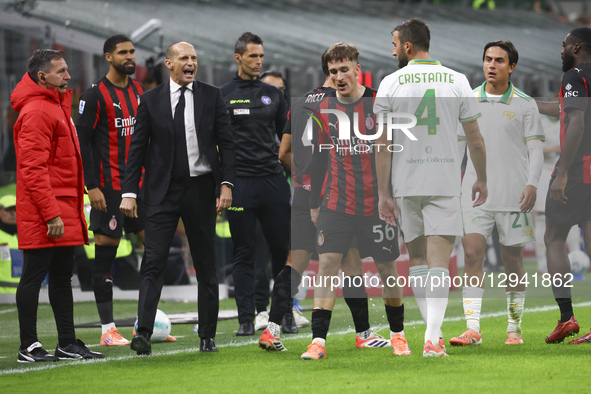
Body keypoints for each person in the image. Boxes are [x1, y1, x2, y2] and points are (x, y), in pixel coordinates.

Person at [258, 48, 390, 352]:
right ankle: (364, 334)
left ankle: (272, 329)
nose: (340, 75)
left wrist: (304, 183)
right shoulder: (353, 103)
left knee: (296, 263)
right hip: (337, 195)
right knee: (351, 263)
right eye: (337, 70)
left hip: (305, 194)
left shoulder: (304, 102)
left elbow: (284, 153)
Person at [374, 18, 487, 358]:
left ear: (408, 47)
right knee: (440, 262)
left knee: (418, 260)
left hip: (406, 182)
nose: (393, 50)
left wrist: (383, 193)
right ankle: (432, 338)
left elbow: (382, 144)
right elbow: (475, 139)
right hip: (444, 180)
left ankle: (432, 337)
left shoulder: (390, 83)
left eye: (395, 44)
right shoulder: (457, 80)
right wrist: (481, 178)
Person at [120, 41, 235, 355]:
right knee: (153, 262)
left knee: (205, 264)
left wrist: (226, 184)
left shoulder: (212, 96)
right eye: (184, 58)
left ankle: (207, 336)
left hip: (200, 189)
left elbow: (228, 145)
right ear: (169, 64)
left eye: (194, 58)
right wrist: (129, 192)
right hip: (161, 192)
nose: (191, 63)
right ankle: (142, 333)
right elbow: (137, 151)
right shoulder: (149, 100)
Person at [298, 43, 408, 361]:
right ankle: (318, 341)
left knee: (388, 269)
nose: (339, 76)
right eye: (333, 72)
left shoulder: (378, 103)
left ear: (357, 69)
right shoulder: (323, 109)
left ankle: (397, 335)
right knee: (328, 267)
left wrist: (392, 195)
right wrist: (316, 203)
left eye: (344, 69)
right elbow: (318, 159)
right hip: (337, 203)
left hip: (377, 204)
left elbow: (395, 153)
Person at [11, 49, 104, 362]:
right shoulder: (37, 111)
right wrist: (50, 213)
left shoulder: (55, 106)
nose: (68, 76)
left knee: (63, 278)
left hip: (64, 207)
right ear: (43, 77)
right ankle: (29, 346)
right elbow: (32, 169)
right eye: (62, 71)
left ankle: (66, 342)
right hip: (46, 211)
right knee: (34, 277)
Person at [449, 41, 544, 347]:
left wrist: (532, 184)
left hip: (514, 196)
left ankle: (514, 328)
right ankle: (472, 328)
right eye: (488, 59)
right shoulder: (468, 101)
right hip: (475, 194)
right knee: (472, 254)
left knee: (512, 261)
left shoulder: (525, 103)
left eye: (499, 60)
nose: (492, 65)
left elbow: (536, 150)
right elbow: (458, 147)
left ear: (511, 67)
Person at [76, 34, 146, 347]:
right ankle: (108, 329)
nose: (129, 57)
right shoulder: (94, 95)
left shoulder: (138, 90)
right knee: (106, 253)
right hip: (109, 187)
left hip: (139, 186)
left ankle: (148, 325)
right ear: (108, 57)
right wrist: (92, 186)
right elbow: (83, 144)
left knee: (155, 250)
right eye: (123, 52)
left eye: (132, 52)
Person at [220, 32, 291, 336]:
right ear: (238, 58)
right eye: (252, 56)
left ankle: (284, 315)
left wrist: (302, 177)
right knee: (244, 252)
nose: (258, 61)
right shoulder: (221, 94)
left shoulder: (273, 94)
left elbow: (286, 142)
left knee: (282, 252)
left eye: (261, 56)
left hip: (273, 182)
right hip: (241, 184)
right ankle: (246, 319)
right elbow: (216, 144)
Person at [536, 27, 591, 345]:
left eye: (565, 45)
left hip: (578, 168)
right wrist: (527, 103)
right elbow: (564, 109)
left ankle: (566, 317)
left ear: (577, 47)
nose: (561, 50)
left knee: (554, 236)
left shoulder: (574, 76)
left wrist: (563, 173)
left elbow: (576, 122)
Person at [0, 195, 21, 293]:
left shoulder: (22, 237)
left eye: (15, 210)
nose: (13, 213)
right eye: (8, 210)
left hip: (21, 296)